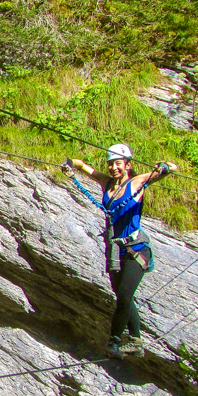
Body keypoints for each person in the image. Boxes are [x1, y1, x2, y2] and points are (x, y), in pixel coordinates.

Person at [62, 144, 178, 358]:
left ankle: (114, 343)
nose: (113, 167)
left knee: (124, 295)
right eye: (110, 163)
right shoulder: (106, 182)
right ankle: (136, 340)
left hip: (137, 249)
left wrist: (164, 166)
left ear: (128, 165)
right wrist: (70, 164)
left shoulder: (137, 182)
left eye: (118, 163)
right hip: (116, 251)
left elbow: (171, 167)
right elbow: (82, 166)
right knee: (124, 296)